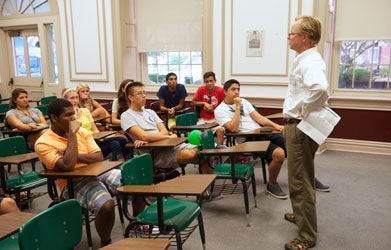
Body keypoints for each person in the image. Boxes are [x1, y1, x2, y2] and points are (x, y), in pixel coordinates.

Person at [34, 98, 145, 247]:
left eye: (73, 114)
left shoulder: (83, 131)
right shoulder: (43, 142)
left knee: (136, 181)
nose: (73, 118)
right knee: (106, 205)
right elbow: (67, 165)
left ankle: (136, 223)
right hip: (73, 183)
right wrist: (72, 135)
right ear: (54, 118)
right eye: (68, 115)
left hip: (98, 172)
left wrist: (71, 153)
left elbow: (98, 157)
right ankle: (106, 242)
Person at [282, 16, 329, 250]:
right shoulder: (305, 59)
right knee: (303, 177)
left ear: (304, 37)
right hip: (299, 126)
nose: (288, 37)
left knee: (300, 182)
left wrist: (303, 109)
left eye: (292, 33)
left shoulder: (309, 61)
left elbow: (319, 88)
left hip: (299, 126)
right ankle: (301, 215)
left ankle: (306, 236)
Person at [215, 79, 288, 199]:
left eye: (238, 89)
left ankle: (304, 177)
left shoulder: (245, 101)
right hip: (247, 139)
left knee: (292, 145)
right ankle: (272, 184)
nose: (237, 92)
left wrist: (276, 126)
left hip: (260, 132)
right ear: (225, 92)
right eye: (233, 89)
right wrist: (237, 106)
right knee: (279, 154)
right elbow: (233, 128)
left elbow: (259, 118)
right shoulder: (220, 110)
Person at [121, 81, 199, 173]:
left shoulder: (150, 112)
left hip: (168, 145)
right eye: (139, 93)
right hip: (154, 153)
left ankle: (207, 184)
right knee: (189, 154)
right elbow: (143, 136)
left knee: (204, 152)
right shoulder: (126, 116)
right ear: (131, 97)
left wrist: (151, 137)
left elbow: (164, 131)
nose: (144, 96)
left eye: (144, 92)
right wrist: (168, 137)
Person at [62, 88, 129, 162]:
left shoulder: (85, 111)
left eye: (76, 97)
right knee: (114, 143)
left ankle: (128, 161)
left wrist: (100, 137)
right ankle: (121, 165)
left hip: (94, 140)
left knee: (122, 140)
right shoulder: (65, 116)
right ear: (65, 100)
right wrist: (76, 118)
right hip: (82, 143)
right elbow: (71, 131)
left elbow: (94, 129)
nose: (75, 100)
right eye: (72, 98)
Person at [192, 71, 225, 145]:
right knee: (196, 133)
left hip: (216, 119)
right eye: (207, 81)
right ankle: (200, 151)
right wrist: (204, 103)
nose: (209, 83)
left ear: (215, 81)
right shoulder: (201, 89)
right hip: (203, 120)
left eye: (211, 81)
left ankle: (218, 151)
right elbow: (193, 102)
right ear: (204, 82)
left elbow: (224, 108)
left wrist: (213, 111)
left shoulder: (220, 91)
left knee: (220, 130)